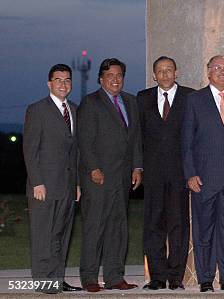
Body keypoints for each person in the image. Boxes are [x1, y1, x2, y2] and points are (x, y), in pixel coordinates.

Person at [182, 55, 224, 292]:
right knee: (204, 231)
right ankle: (206, 279)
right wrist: (190, 173)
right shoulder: (195, 100)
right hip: (204, 179)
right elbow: (187, 141)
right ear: (208, 71)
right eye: (217, 68)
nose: (222, 72)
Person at [77, 58, 143, 292]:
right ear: (101, 79)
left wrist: (137, 167)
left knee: (118, 228)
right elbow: (84, 140)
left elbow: (134, 138)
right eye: (110, 76)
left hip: (122, 177)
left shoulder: (131, 102)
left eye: (119, 76)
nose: (115, 80)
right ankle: (90, 278)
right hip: (99, 177)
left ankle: (115, 277)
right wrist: (93, 168)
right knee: (95, 227)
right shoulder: (90, 102)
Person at [23, 64, 83, 294]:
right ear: (49, 84)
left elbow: (75, 151)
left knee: (61, 233)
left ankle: (57, 280)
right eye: (58, 80)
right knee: (43, 234)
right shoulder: (37, 109)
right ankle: (42, 281)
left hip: (67, 186)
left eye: (67, 80)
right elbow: (30, 149)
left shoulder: (75, 110)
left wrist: (77, 182)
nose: (63, 84)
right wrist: (37, 181)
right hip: (44, 186)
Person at [137, 56, 194, 291]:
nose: (165, 74)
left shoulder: (190, 96)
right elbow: (137, 136)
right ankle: (157, 276)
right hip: (153, 175)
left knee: (178, 227)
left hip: (181, 175)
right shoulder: (143, 98)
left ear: (176, 72)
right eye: (160, 71)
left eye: (169, 70)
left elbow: (195, 136)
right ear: (154, 75)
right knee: (153, 226)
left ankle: (175, 277)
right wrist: (138, 166)